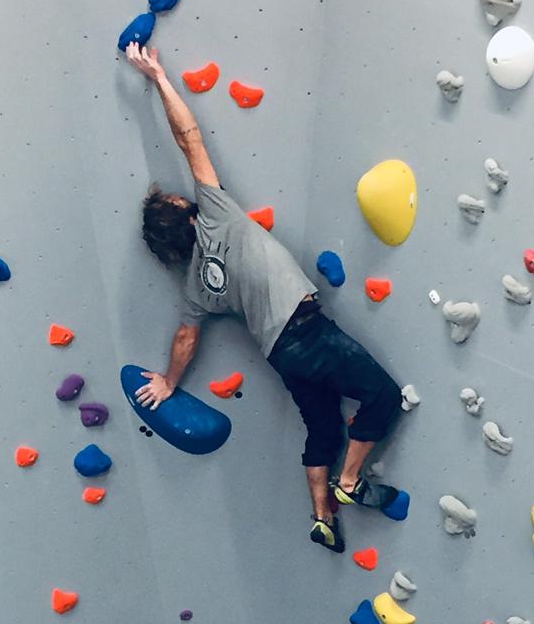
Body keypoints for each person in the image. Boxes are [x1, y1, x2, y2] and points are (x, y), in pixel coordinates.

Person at [125, 41, 406, 553]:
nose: (181, 193)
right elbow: (189, 139)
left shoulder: (193, 287)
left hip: (278, 351)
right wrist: (159, 77)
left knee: (321, 425)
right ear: (186, 216)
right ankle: (348, 483)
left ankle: (322, 518)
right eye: (175, 199)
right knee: (383, 395)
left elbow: (187, 338)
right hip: (305, 329)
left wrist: (168, 382)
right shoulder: (215, 212)